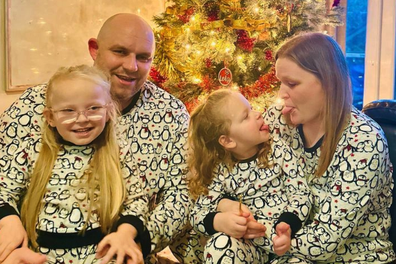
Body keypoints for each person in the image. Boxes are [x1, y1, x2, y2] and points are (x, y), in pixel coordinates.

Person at [0, 13, 199, 264]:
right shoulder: (34, 105)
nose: (131, 66)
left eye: (143, 57)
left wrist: (133, 243)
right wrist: (10, 236)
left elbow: (181, 194)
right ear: (95, 49)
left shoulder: (170, 114)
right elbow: (5, 182)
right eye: (120, 51)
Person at [220, 32, 396, 263]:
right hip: (282, 247)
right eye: (280, 82)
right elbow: (231, 174)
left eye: (292, 83)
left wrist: (255, 233)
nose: (282, 94)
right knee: (222, 245)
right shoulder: (276, 121)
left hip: (352, 256)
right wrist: (226, 212)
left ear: (327, 82)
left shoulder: (364, 140)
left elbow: (323, 243)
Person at [0, 65, 148, 264]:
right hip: (41, 257)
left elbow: (137, 200)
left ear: (109, 111)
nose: (82, 119)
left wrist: (125, 234)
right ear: (50, 117)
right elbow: (3, 191)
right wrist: (9, 221)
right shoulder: (32, 151)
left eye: (93, 108)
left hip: (100, 257)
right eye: (69, 110)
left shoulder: (117, 152)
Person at [188, 89, 312, 263]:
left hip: (284, 248)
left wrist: (287, 226)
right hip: (248, 249)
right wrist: (219, 221)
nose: (258, 114)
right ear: (228, 141)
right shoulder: (221, 168)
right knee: (218, 244)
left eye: (252, 108)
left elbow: (301, 193)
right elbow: (197, 214)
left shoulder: (277, 149)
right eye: (246, 116)